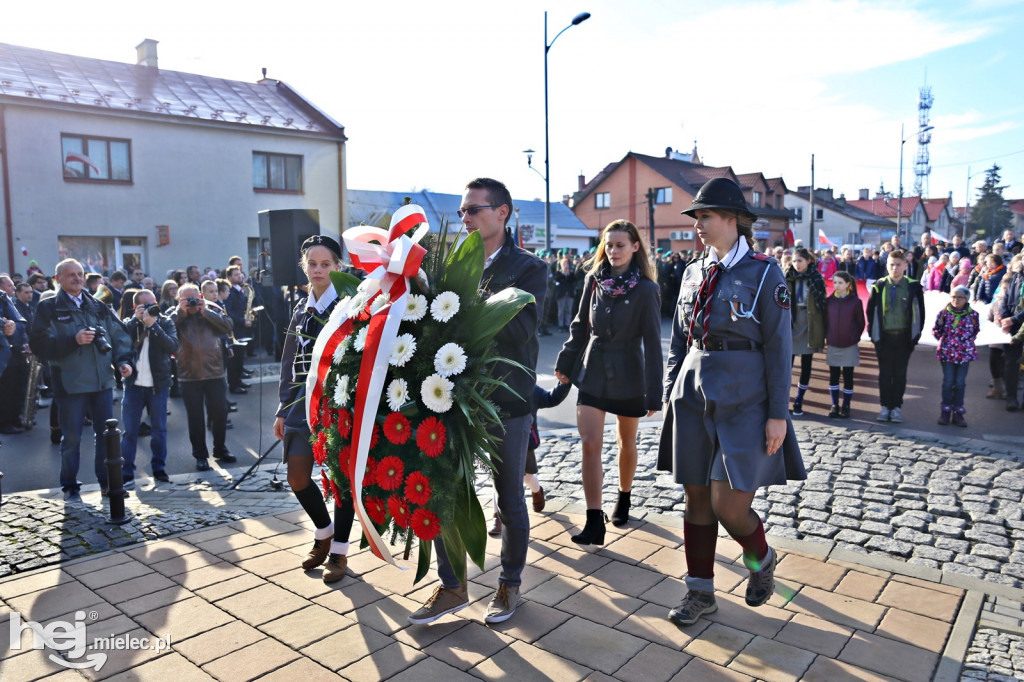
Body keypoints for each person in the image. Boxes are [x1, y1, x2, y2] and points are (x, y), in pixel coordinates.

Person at [657, 177, 805, 627]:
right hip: (693, 391)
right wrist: (670, 389)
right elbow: (679, 340)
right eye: (696, 216)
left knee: (729, 505)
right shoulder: (692, 271)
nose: (698, 225)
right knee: (696, 497)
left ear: (733, 220)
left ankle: (762, 559)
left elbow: (780, 347)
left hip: (747, 397)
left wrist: (778, 414)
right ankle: (699, 592)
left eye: (705, 216)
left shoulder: (764, 273)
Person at [408, 177, 546, 626]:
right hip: (451, 397)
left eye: (474, 210)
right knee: (441, 492)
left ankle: (509, 585)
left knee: (509, 499)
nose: (465, 218)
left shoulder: (529, 268)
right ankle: (452, 587)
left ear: (502, 212)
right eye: (463, 210)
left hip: (505, 400)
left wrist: (471, 302)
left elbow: (521, 332)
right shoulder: (447, 266)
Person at [553, 219, 663, 540]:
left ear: (635, 247)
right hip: (594, 370)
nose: (613, 251)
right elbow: (579, 326)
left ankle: (624, 495)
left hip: (630, 372)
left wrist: (654, 394)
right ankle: (593, 520)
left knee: (626, 443)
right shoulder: (594, 280)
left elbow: (654, 345)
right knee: (590, 445)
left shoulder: (647, 289)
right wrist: (565, 362)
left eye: (620, 245)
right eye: (609, 245)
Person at [274, 235, 355, 583]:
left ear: (338, 267)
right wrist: (282, 407)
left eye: (325, 264)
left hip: (338, 404)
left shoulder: (350, 306)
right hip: (300, 405)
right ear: (304, 267)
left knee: (341, 482)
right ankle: (323, 532)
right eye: (312, 264)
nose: (318, 270)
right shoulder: (299, 308)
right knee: (297, 476)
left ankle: (339, 552)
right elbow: (288, 361)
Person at [29, 259, 134, 501]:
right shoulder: (49, 308)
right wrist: (73, 340)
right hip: (70, 383)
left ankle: (108, 484)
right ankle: (70, 485)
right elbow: (39, 345)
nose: (77, 278)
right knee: (72, 437)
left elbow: (119, 335)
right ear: (58, 280)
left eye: (80, 274)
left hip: (102, 383)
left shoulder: (97, 305)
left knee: (106, 437)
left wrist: (123, 362)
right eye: (71, 275)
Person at [170, 283, 236, 470]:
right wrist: (181, 312)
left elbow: (228, 326)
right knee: (195, 418)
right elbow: (166, 330)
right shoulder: (173, 314)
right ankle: (200, 455)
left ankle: (220, 449)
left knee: (220, 414)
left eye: (194, 298)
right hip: (188, 375)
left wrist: (205, 311)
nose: (191, 302)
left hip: (214, 371)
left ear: (200, 296)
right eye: (186, 299)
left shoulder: (212, 309)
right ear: (179, 300)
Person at [120, 289, 178, 484]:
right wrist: (136, 321)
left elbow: (172, 346)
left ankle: (159, 469)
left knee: (159, 430)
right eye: (146, 305)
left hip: (158, 386)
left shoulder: (165, 322)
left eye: (154, 304)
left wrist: (153, 326)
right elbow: (121, 344)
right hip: (134, 386)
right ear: (136, 307)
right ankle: (127, 471)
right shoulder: (130, 324)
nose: (152, 308)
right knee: (130, 431)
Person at [866, 250, 926, 423]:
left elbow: (920, 314)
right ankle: (885, 406)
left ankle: (897, 407)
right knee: (885, 373)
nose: (895, 268)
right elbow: (870, 312)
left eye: (898, 265)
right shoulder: (879, 286)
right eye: (891, 265)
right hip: (884, 337)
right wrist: (874, 336)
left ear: (905, 266)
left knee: (900, 373)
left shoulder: (913, 286)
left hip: (904, 337)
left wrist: (915, 336)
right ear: (886, 266)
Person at [785, 248, 826, 416]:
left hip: (810, 322)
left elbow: (822, 301)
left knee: (807, 364)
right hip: (791, 322)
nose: (797, 264)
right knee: (787, 365)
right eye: (794, 261)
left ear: (808, 261)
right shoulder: (786, 276)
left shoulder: (816, 278)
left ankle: (799, 400)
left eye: (800, 261)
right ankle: (783, 400)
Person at [932, 286, 980, 426]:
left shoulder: (973, 315)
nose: (956, 300)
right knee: (948, 382)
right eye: (953, 297)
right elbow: (936, 330)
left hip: (964, 354)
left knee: (960, 383)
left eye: (960, 297)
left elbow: (975, 331)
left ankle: (958, 412)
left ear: (966, 299)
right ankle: (945, 411)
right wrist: (946, 341)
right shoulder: (944, 314)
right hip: (947, 353)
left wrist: (965, 342)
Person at [825, 271, 865, 418]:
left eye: (840, 282)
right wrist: (828, 336)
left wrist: (854, 337)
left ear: (848, 284)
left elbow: (860, 323)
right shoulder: (829, 302)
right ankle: (834, 405)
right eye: (835, 282)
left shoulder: (856, 302)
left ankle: (846, 405)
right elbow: (826, 322)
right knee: (833, 376)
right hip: (834, 344)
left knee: (848, 377)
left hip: (849, 345)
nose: (837, 285)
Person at [999, 254, 1024, 410]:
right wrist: (1005, 319)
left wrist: (1013, 319)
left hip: (1018, 322)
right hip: (1014, 326)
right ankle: (1011, 398)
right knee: (1011, 363)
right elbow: (1005, 300)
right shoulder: (1016, 278)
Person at [552, 257, 575, 332]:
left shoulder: (571, 273)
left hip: (569, 294)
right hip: (561, 294)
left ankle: (567, 325)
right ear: (561, 265)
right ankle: (560, 325)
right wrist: (563, 274)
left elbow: (573, 280)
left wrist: (568, 274)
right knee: (561, 310)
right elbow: (557, 280)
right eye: (564, 264)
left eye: (567, 264)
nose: (566, 265)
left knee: (568, 310)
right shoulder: (558, 273)